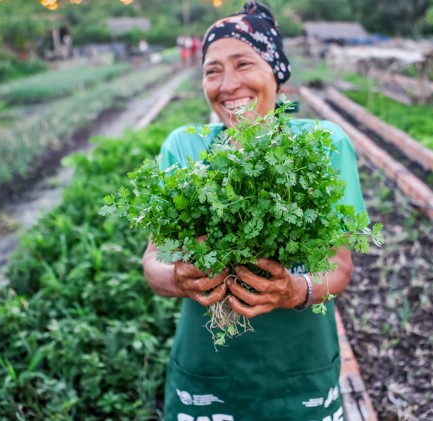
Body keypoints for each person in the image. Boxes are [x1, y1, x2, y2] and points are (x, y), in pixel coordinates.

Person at [142, 2, 365, 419]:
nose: (228, 84)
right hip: (208, 370)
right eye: (212, 70)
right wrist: (178, 276)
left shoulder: (322, 145)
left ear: (275, 72)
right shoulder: (184, 147)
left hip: (300, 368)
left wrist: (294, 290)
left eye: (243, 64)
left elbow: (339, 267)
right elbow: (153, 261)